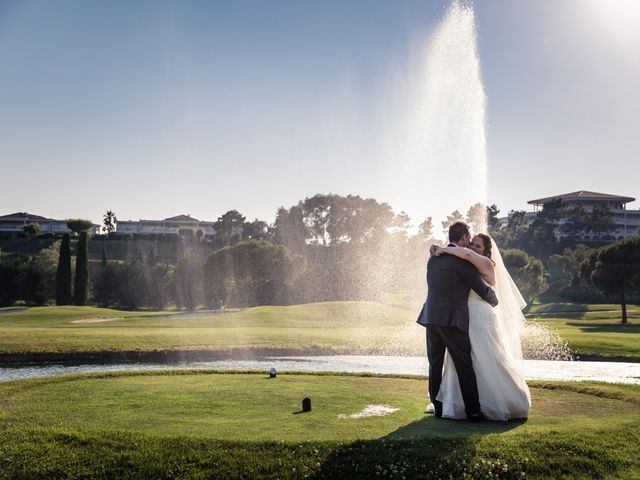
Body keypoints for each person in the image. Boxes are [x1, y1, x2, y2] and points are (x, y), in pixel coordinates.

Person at [430, 233, 532, 421]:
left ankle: (494, 401)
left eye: (477, 246)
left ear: (486, 251)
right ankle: (461, 402)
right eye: (471, 244)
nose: (472, 248)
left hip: (480, 317)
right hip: (465, 316)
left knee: (484, 356)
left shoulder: (485, 263)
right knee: (463, 359)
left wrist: (443, 248)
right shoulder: (467, 262)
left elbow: (467, 255)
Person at [416, 222, 499, 421]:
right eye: (468, 240)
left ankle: (438, 407)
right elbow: (479, 286)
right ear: (462, 238)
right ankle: (473, 410)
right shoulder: (462, 262)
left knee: (435, 364)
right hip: (452, 319)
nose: (469, 244)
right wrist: (495, 301)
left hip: (431, 316)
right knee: (463, 363)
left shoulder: (433, 258)